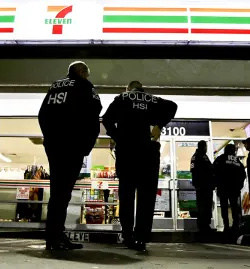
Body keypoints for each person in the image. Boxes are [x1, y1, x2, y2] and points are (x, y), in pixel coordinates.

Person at [102, 81, 177, 251]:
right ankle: (141, 238)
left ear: (128, 89)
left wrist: (117, 136)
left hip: (127, 152)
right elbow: (173, 106)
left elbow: (106, 119)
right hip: (148, 153)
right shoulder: (153, 99)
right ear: (142, 89)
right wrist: (160, 124)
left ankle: (128, 236)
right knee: (147, 196)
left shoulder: (122, 98)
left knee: (126, 195)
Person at [38, 61, 102, 250]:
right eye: (87, 74)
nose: (88, 77)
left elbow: (42, 115)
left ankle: (55, 234)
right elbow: (94, 114)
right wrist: (86, 146)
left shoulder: (55, 86)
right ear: (82, 73)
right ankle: (55, 238)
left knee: (57, 191)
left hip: (54, 145)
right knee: (63, 193)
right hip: (73, 146)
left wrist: (49, 138)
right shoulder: (85, 86)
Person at [214, 144, 246, 234]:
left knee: (224, 207)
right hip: (234, 189)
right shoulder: (237, 161)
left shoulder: (220, 159)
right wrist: (239, 185)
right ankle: (235, 226)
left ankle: (226, 226)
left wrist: (216, 183)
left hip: (223, 188)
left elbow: (213, 170)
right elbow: (243, 175)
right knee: (234, 207)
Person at [190, 140, 214, 233]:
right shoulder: (196, 157)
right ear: (202, 147)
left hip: (207, 185)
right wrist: (197, 185)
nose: (206, 148)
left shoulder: (203, 156)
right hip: (202, 186)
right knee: (203, 206)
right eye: (205, 146)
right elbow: (194, 172)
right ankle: (202, 225)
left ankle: (206, 225)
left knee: (207, 205)